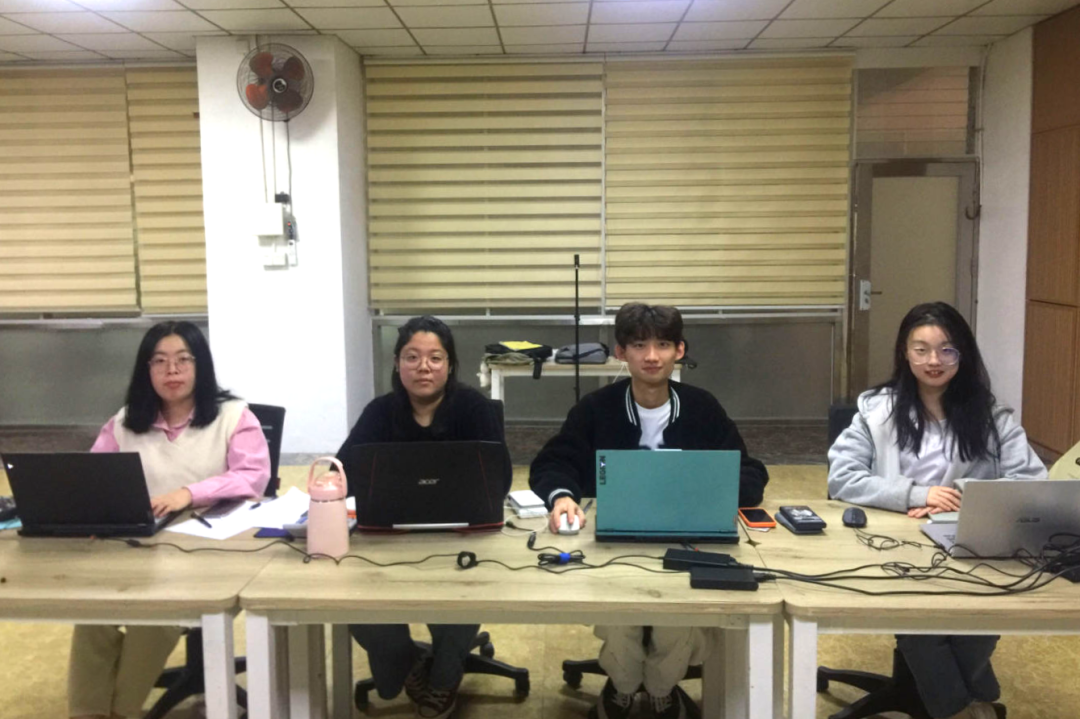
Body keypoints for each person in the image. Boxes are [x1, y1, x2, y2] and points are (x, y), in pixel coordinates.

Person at [529, 302, 769, 719]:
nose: (652, 356)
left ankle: (661, 689)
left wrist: (714, 492)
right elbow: (553, 463)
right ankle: (623, 686)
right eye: (639, 345)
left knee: (678, 612)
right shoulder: (596, 408)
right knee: (621, 614)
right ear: (621, 352)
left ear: (680, 350)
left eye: (663, 345)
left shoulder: (702, 407)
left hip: (687, 538)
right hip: (615, 541)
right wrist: (563, 496)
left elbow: (749, 473)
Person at [829, 301, 1046, 719]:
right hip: (893, 541)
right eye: (922, 349)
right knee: (920, 615)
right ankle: (964, 706)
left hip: (968, 539)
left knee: (983, 610)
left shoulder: (990, 415)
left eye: (947, 350)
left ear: (963, 355)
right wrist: (916, 494)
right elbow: (843, 477)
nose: (934, 360)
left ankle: (964, 698)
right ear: (905, 353)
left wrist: (961, 499)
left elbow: (1030, 479)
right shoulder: (877, 410)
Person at [71, 320, 270, 719]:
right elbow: (93, 478)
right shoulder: (124, 423)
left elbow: (253, 477)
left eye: (183, 360)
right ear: (146, 369)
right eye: (159, 361)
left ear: (200, 366)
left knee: (154, 620)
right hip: (137, 551)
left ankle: (121, 713)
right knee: (91, 615)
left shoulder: (234, 416)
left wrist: (189, 493)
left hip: (211, 553)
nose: (172, 370)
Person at [335, 315, 511, 719]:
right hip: (387, 538)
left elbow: (498, 479)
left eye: (435, 357)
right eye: (412, 357)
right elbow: (342, 472)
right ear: (398, 363)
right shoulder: (380, 411)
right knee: (351, 603)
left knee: (463, 592)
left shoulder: (474, 408)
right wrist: (327, 483)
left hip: (462, 535)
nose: (424, 367)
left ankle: (444, 678)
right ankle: (410, 663)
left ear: (450, 364)